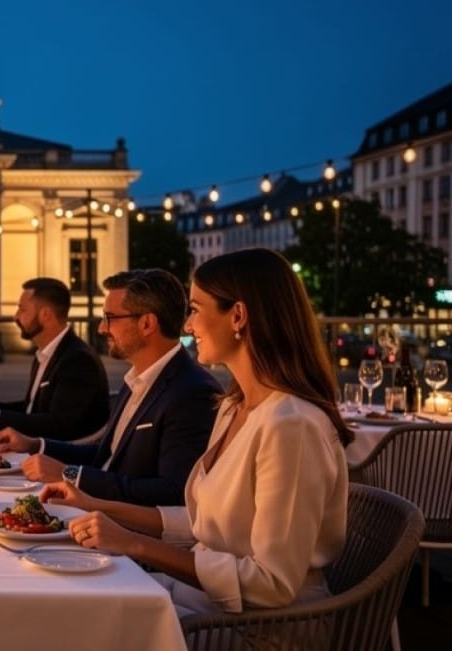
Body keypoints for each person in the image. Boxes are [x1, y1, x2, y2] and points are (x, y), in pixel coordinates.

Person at [42, 248, 353, 616]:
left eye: (194, 310)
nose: (187, 327)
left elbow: (271, 584)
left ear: (238, 316)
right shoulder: (233, 407)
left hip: (255, 627)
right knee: (60, 592)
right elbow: (203, 523)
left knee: (75, 613)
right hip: (201, 601)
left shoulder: (291, 426)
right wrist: (94, 505)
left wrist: (133, 543)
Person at [0, 269, 221, 506]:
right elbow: (107, 454)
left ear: (146, 323)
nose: (102, 328)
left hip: (116, 522)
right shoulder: (136, 379)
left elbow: (174, 493)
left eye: (109, 317)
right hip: (94, 507)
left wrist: (70, 475)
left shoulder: (192, 393)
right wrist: (35, 445)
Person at [0, 277, 109, 439]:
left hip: (55, 452)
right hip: (36, 444)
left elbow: (59, 426)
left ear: (45, 315)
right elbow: (31, 408)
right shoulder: (46, 353)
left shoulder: (78, 360)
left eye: (22, 310)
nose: (15, 317)